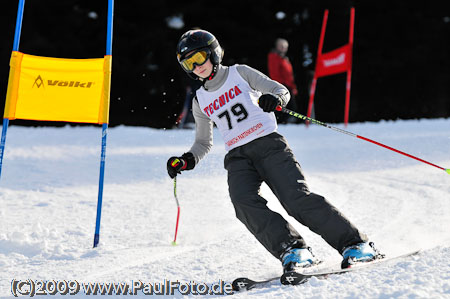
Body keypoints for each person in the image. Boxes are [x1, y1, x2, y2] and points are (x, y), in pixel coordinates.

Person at [167, 29, 382, 272]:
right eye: (189, 63)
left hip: (268, 144)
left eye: (199, 58)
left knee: (295, 199)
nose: (197, 66)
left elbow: (281, 90)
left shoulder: (240, 73)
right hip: (238, 157)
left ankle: (356, 243)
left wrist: (274, 100)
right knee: (243, 203)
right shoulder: (200, 100)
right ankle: (293, 249)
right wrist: (186, 160)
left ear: (214, 53)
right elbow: (203, 142)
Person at [267, 38, 298, 123]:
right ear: (277, 46)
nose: (283, 48)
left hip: (288, 86)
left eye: (285, 47)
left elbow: (289, 74)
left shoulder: (284, 58)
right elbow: (274, 73)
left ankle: (287, 121)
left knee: (291, 106)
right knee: (284, 107)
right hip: (281, 86)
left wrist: (292, 86)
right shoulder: (274, 57)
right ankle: (282, 122)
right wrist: (281, 86)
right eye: (281, 46)